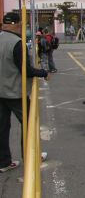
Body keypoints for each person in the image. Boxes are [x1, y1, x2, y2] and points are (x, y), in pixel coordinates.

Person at [0, 20, 49, 173]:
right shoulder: (17, 43)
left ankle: (3, 162)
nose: (22, 29)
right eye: (21, 25)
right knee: (29, 125)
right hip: (15, 93)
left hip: (1, 93)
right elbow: (25, 70)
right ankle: (30, 156)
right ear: (15, 25)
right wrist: (43, 72)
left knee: (2, 128)